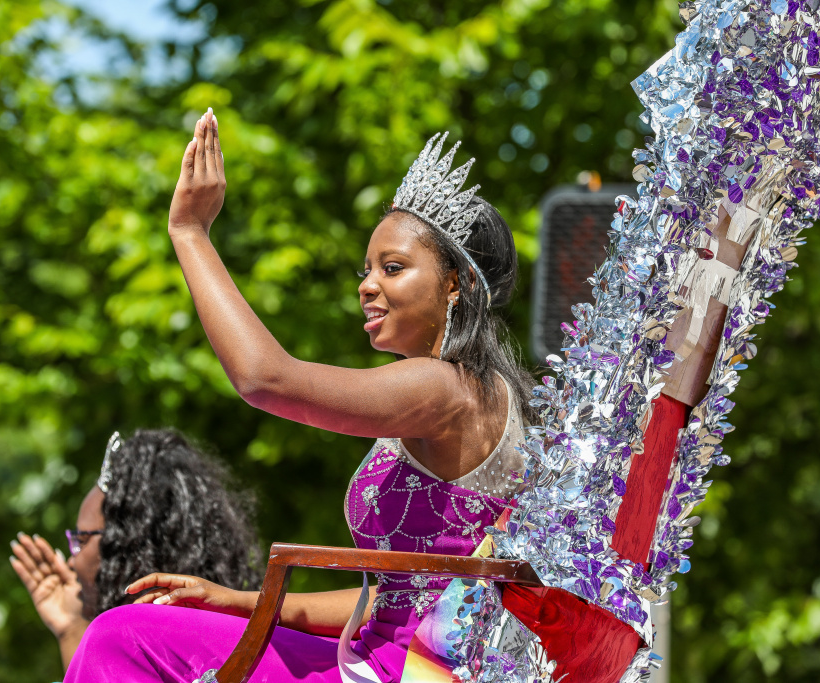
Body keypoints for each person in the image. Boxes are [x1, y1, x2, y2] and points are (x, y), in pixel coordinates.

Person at [63, 111, 537, 683]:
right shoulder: (468, 390)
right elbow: (393, 597)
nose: (367, 285)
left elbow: (266, 379)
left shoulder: (444, 386)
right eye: (366, 269)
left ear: (454, 284)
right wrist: (241, 600)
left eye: (393, 267)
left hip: (401, 672)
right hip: (376, 656)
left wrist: (190, 232)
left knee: (123, 639)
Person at [9, 428, 262, 672]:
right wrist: (71, 629)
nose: (71, 562)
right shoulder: (235, 632)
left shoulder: (127, 638)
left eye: (82, 539)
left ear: (125, 544)